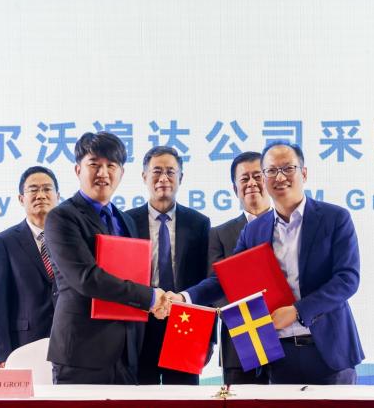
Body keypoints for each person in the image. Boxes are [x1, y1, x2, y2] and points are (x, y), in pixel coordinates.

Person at [180, 142, 364, 385]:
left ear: (304, 173)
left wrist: (297, 311)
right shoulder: (254, 230)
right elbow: (227, 280)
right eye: (271, 171)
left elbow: (347, 280)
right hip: (278, 356)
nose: (280, 177)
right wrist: (184, 298)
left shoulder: (335, 218)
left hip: (329, 352)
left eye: (288, 168)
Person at [43, 131, 170, 384]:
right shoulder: (61, 217)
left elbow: (134, 276)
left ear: (121, 173)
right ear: (78, 170)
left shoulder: (126, 221)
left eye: (111, 165)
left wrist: (158, 301)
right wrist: (150, 297)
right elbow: (86, 278)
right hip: (82, 352)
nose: (103, 173)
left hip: (127, 353)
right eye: (94, 164)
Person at [126, 146, 212, 385]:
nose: (163, 178)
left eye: (170, 172)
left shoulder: (199, 223)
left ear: (180, 178)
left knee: (184, 400)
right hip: (140, 324)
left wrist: (209, 338)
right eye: (156, 171)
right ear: (144, 176)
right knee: (141, 398)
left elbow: (207, 280)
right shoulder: (126, 221)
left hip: (185, 323)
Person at [0, 165, 60, 366]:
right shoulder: (5, 241)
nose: (41, 195)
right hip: (24, 345)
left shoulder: (70, 239)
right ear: (21, 199)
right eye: (33, 190)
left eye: (47, 189)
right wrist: (2, 355)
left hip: (68, 340)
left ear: (57, 196)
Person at [209, 151, 272, 384]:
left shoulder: (289, 226)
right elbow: (215, 288)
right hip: (239, 344)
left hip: (288, 340)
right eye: (244, 178)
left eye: (258, 176)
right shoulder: (219, 234)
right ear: (235, 189)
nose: (251, 183)